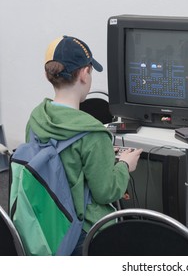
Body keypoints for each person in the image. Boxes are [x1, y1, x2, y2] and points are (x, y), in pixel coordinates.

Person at [25, 35, 143, 255]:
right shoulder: (92, 132)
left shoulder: (36, 118)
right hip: (83, 232)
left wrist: (104, 155)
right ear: (83, 74)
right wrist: (125, 165)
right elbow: (106, 192)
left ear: (47, 74)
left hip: (44, 218)